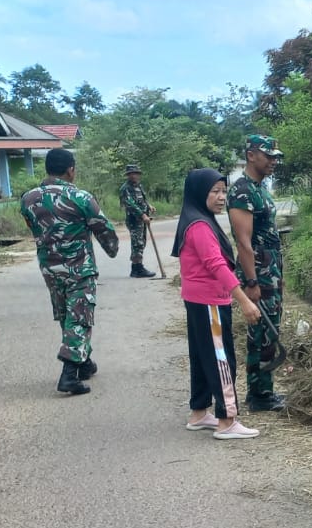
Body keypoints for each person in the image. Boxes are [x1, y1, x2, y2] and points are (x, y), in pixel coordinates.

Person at [171, 168, 263, 439]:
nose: (221, 197)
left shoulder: (197, 218)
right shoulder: (199, 226)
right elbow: (216, 266)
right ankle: (227, 419)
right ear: (200, 193)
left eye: (223, 191)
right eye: (215, 191)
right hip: (209, 302)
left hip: (198, 299)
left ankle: (199, 413)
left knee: (202, 357)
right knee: (222, 359)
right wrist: (245, 301)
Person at [19, 147, 118, 396]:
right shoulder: (81, 197)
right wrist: (112, 249)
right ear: (71, 170)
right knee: (79, 315)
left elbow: (33, 227)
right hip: (79, 267)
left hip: (49, 267)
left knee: (67, 314)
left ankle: (83, 362)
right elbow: (103, 228)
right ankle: (68, 375)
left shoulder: (28, 198)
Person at [228, 134, 287, 413]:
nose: (273, 160)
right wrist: (251, 282)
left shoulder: (260, 188)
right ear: (251, 155)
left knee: (270, 329)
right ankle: (259, 394)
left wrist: (279, 273)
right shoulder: (242, 191)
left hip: (270, 270)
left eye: (275, 156)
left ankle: (265, 389)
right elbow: (243, 242)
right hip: (259, 273)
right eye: (268, 155)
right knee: (261, 332)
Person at [118, 164, 156, 278]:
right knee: (137, 244)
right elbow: (130, 205)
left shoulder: (139, 186)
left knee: (141, 242)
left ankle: (136, 267)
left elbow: (142, 199)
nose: (134, 176)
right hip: (134, 220)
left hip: (142, 220)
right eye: (131, 174)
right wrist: (142, 215)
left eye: (136, 173)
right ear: (128, 175)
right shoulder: (125, 188)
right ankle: (138, 269)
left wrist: (149, 206)